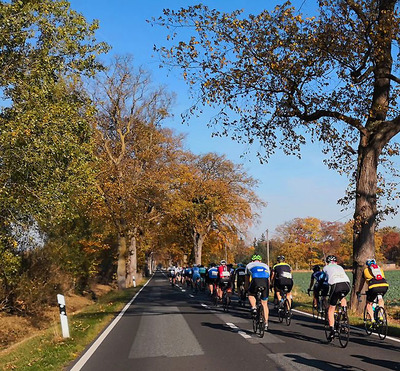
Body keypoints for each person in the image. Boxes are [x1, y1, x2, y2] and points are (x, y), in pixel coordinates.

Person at [323, 255, 350, 341]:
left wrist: (324, 293)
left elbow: (325, 281)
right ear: (336, 262)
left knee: (331, 308)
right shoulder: (340, 267)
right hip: (346, 284)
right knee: (342, 297)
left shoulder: (325, 267)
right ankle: (344, 311)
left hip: (335, 285)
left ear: (327, 262)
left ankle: (332, 330)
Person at [245, 254, 270, 330]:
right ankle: (266, 323)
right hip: (265, 281)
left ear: (252, 260)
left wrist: (247, 289)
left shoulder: (249, 265)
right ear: (260, 261)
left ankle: (254, 307)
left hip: (255, 280)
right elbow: (268, 279)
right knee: (264, 303)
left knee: (251, 294)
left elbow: (246, 279)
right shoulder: (265, 265)